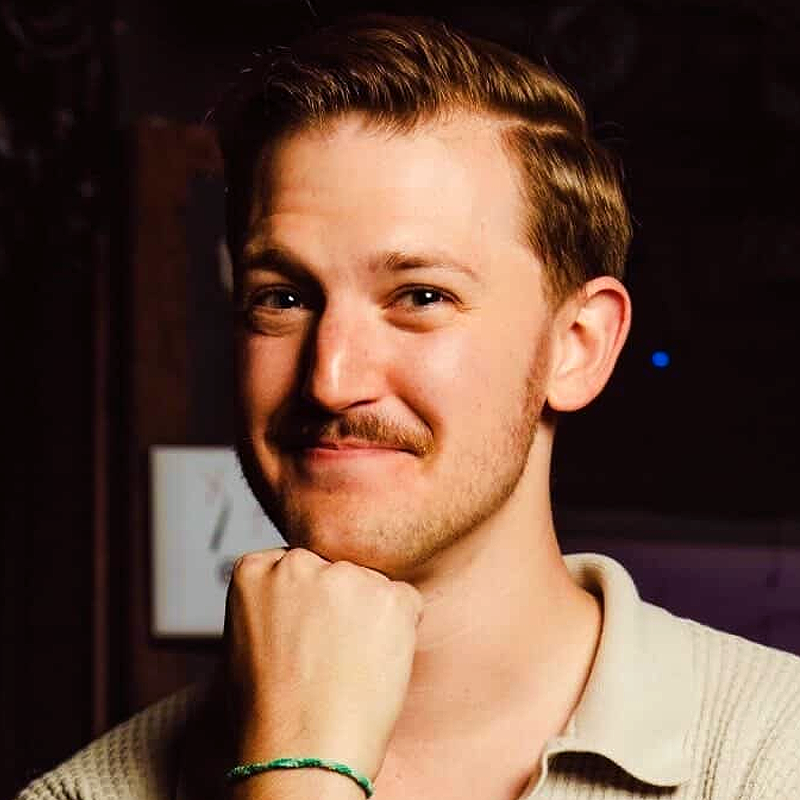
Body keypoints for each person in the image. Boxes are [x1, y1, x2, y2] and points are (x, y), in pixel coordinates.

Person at [18, 12, 800, 800]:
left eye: (421, 296)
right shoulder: (84, 796)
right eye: (283, 297)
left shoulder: (776, 753)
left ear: (577, 345)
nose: (330, 380)